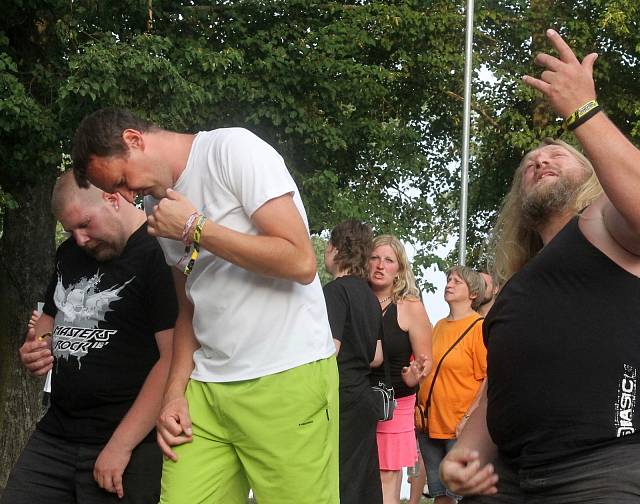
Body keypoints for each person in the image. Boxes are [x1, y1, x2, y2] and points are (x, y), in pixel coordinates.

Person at [440, 29, 640, 503]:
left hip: (617, 457)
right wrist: (469, 449)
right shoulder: (521, 285)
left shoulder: (605, 221)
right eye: (530, 163)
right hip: (516, 475)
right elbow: (505, 377)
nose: (540, 161)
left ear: (592, 172)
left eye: (557, 154)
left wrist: (584, 111)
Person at [71, 108, 338, 503]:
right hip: (207, 389)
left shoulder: (233, 150)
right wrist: (174, 393)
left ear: (134, 139)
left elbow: (300, 261)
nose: (128, 197)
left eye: (123, 181)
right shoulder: (154, 209)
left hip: (285, 377)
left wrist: (195, 227)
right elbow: (188, 309)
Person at [2, 171, 176, 504]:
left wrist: (120, 446)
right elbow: (49, 318)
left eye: (85, 225)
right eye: (70, 230)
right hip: (57, 432)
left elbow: (171, 359)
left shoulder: (158, 254)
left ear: (112, 199)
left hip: (126, 442)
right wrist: (35, 347)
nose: (80, 239)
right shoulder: (70, 253)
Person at [368, 234, 433, 504]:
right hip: (356, 399)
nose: (380, 265)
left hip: (395, 404)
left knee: (385, 475)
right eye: (374, 258)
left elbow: (425, 360)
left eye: (388, 260)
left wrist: (414, 374)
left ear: (399, 270)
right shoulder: (354, 298)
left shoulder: (411, 307)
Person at [323, 219, 384, 503]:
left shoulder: (335, 291)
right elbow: (375, 356)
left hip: (340, 396)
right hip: (363, 396)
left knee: (338, 482)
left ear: (335, 249)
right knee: (363, 485)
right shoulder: (371, 298)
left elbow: (330, 349)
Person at [418, 265, 487, 504]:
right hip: (429, 423)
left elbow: (488, 379)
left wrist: (469, 418)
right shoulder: (438, 327)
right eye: (449, 280)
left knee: (463, 496)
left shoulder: (479, 328)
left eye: (457, 281)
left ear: (473, 294)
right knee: (440, 495)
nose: (449, 284)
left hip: (458, 426)